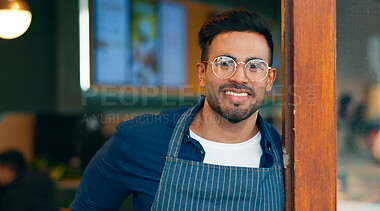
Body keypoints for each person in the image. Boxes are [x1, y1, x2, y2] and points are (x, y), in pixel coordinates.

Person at [70, 8, 283, 210]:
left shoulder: (286, 157)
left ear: (269, 79)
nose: (239, 77)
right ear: (201, 73)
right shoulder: (140, 140)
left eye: (255, 66)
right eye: (224, 63)